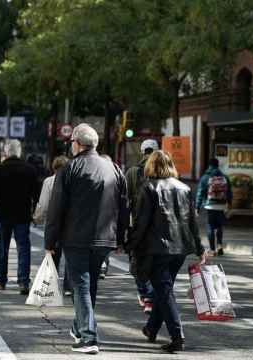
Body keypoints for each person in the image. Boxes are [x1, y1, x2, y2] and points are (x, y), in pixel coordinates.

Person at [44, 124, 128, 355]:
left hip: (77, 238)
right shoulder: (114, 168)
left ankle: (89, 337)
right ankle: (79, 328)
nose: (70, 145)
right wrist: (121, 238)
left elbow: (56, 208)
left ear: (78, 144)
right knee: (89, 285)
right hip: (105, 238)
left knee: (80, 284)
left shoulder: (69, 169)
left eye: (71, 141)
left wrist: (50, 242)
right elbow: (123, 206)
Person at [127, 150, 206, 353]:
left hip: (157, 248)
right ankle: (151, 329)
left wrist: (130, 243)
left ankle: (177, 336)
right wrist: (199, 248)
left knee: (164, 291)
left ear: (150, 166)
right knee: (164, 288)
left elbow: (141, 222)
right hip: (179, 249)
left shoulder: (148, 188)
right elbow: (192, 222)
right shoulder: (184, 188)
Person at [0, 139, 40, 296]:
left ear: (6, 152)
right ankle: (23, 282)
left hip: (4, 215)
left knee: (3, 248)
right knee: (23, 248)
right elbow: (37, 195)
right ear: (19, 152)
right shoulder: (29, 170)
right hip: (23, 215)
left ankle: (1, 280)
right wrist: (36, 213)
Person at [125, 139, 158, 314]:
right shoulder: (164, 171)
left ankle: (145, 294)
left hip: (136, 224)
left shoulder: (132, 172)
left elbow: (125, 200)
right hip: (159, 225)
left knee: (136, 262)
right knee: (156, 262)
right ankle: (150, 297)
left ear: (142, 151)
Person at [33, 155, 71, 295]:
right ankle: (68, 286)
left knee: (52, 254)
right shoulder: (73, 181)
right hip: (71, 223)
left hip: (53, 223)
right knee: (70, 256)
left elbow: (43, 205)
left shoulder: (49, 182)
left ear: (54, 168)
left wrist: (37, 218)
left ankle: (51, 286)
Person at [196, 158, 232, 256]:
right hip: (221, 205)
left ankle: (212, 249)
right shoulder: (224, 177)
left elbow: (200, 192)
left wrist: (197, 207)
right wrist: (229, 204)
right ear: (218, 165)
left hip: (209, 205)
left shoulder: (205, 177)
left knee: (210, 227)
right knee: (220, 226)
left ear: (209, 165)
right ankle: (219, 245)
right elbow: (229, 192)